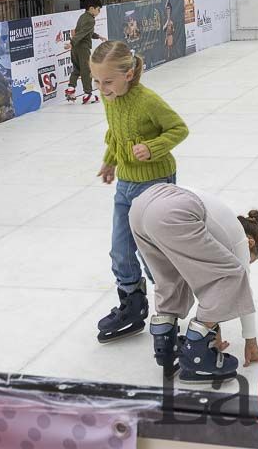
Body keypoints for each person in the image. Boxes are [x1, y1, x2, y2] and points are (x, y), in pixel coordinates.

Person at [91, 40, 190, 344]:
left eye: (108, 81)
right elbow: (115, 135)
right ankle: (133, 305)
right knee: (120, 250)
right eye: (97, 81)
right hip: (125, 183)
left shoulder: (148, 100)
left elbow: (178, 129)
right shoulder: (110, 100)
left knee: (153, 256)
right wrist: (110, 162)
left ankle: (169, 310)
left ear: (129, 73)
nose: (102, 88)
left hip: (155, 184)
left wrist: (152, 147)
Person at [130, 185, 258, 382]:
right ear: (251, 243)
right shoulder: (239, 241)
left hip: (142, 206)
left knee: (171, 277)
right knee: (233, 276)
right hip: (173, 210)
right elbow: (238, 284)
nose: (247, 262)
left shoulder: (220, 225)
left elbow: (205, 281)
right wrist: (251, 341)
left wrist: (214, 329)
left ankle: (166, 347)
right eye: (251, 259)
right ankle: (196, 355)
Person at [65, 0, 105, 104]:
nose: (99, 12)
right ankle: (88, 94)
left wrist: (98, 36)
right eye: (98, 9)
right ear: (91, 8)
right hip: (82, 48)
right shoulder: (91, 20)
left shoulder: (82, 17)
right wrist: (71, 43)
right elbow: (82, 33)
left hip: (75, 49)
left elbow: (86, 32)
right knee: (86, 70)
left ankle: (71, 88)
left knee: (77, 69)